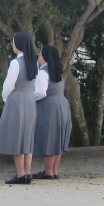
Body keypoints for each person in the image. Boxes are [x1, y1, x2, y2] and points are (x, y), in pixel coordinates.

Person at [0, 32, 38, 185]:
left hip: (17, 98)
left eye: (13, 42)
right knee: (27, 137)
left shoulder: (16, 62)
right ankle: (28, 172)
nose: (12, 44)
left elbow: (9, 85)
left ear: (18, 44)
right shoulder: (34, 62)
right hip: (30, 99)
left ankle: (20, 174)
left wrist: (6, 98)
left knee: (16, 137)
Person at [32, 45, 72, 179]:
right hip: (62, 104)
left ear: (45, 57)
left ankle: (48, 172)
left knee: (50, 137)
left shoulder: (43, 72)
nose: (39, 57)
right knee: (58, 138)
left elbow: (41, 92)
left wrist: (28, 97)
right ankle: (54, 170)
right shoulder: (57, 72)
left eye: (40, 54)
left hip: (50, 107)